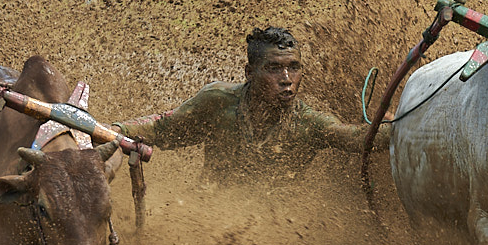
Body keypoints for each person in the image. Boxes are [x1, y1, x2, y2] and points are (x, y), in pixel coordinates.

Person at [113, 27, 390, 184]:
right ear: (249, 72)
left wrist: (399, 128)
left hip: (278, 232)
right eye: (273, 68)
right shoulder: (217, 103)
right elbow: (159, 128)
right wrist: (112, 131)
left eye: (294, 68)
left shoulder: (310, 123)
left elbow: (356, 139)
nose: (286, 80)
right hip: (207, 220)